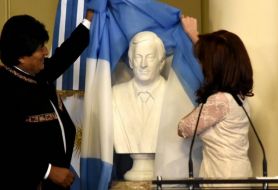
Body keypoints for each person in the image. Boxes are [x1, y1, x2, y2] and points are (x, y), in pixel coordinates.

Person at [0, 10, 93, 190]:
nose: (46, 51)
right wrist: (47, 171)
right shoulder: (4, 88)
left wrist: (88, 20)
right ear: (21, 57)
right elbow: (6, 146)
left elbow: (65, 55)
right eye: (40, 47)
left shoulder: (36, 73)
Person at [178, 16, 254, 179]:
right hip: (239, 174)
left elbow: (183, 128)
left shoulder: (219, 101)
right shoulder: (239, 98)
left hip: (222, 178)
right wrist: (194, 35)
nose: (203, 66)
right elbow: (218, 55)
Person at [112, 31, 166, 154]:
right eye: (138, 57)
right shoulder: (115, 95)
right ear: (131, 62)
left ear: (161, 63)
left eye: (150, 57)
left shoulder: (173, 96)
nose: (143, 64)